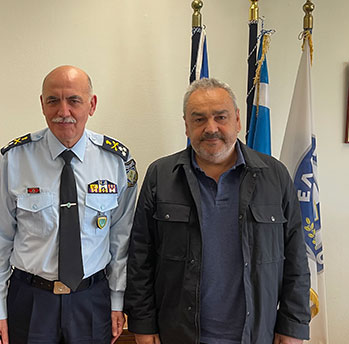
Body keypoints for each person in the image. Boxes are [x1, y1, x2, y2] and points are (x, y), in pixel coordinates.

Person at [125, 78, 310, 344]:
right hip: (178, 334)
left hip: (257, 334)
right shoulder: (160, 175)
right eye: (199, 119)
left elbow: (296, 259)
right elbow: (140, 258)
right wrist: (143, 324)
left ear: (237, 120)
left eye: (220, 117)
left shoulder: (275, 176)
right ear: (186, 126)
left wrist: (293, 326)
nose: (211, 128)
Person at [0, 65, 138, 344]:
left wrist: (117, 300)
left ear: (92, 105)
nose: (63, 111)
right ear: (42, 104)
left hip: (91, 299)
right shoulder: (16, 159)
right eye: (53, 100)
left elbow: (121, 240)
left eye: (74, 100)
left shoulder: (116, 162)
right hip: (31, 300)